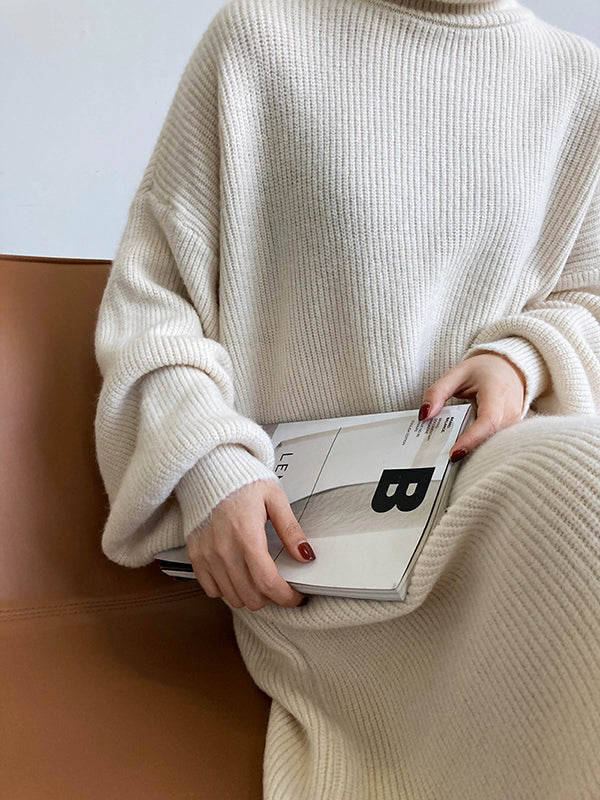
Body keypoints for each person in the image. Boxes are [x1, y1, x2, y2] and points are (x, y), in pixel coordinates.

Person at [94, 0, 600, 796]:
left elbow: (588, 294)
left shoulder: (579, 80)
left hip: (485, 492)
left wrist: (523, 358)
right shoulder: (262, 37)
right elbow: (151, 304)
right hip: (307, 550)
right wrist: (210, 463)